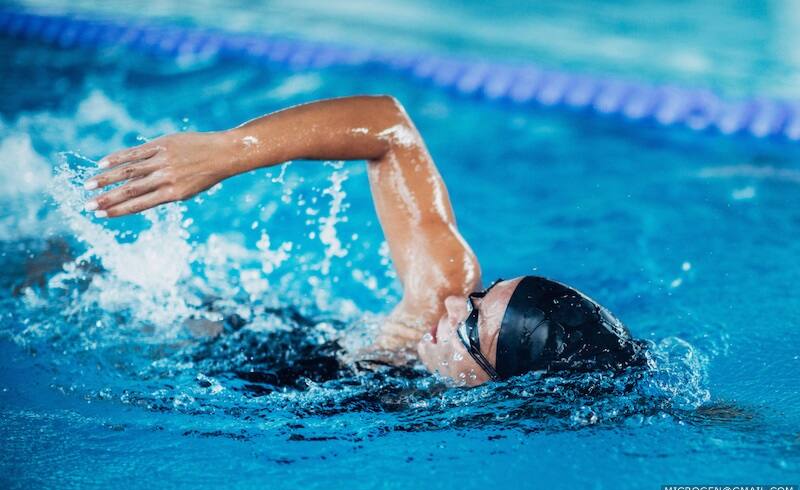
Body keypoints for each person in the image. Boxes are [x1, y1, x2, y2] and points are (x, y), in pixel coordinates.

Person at [84, 95, 646, 387]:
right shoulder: (437, 302)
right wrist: (226, 152)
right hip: (217, 331)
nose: (455, 302)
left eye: (472, 326)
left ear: (497, 386)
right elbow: (388, 127)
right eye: (483, 295)